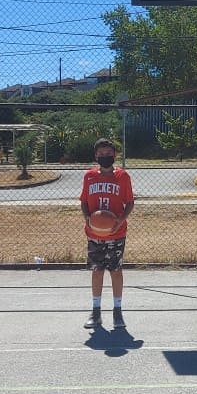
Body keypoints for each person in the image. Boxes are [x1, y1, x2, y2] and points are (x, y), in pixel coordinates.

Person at [80, 138, 134, 329]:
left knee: (116, 271)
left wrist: (120, 220)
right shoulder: (89, 176)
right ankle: (96, 312)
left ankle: (117, 312)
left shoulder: (123, 177)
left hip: (116, 233)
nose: (105, 157)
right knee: (97, 272)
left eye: (108, 154)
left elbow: (130, 203)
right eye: (101, 154)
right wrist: (87, 218)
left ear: (114, 154)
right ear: (96, 156)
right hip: (94, 234)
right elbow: (84, 201)